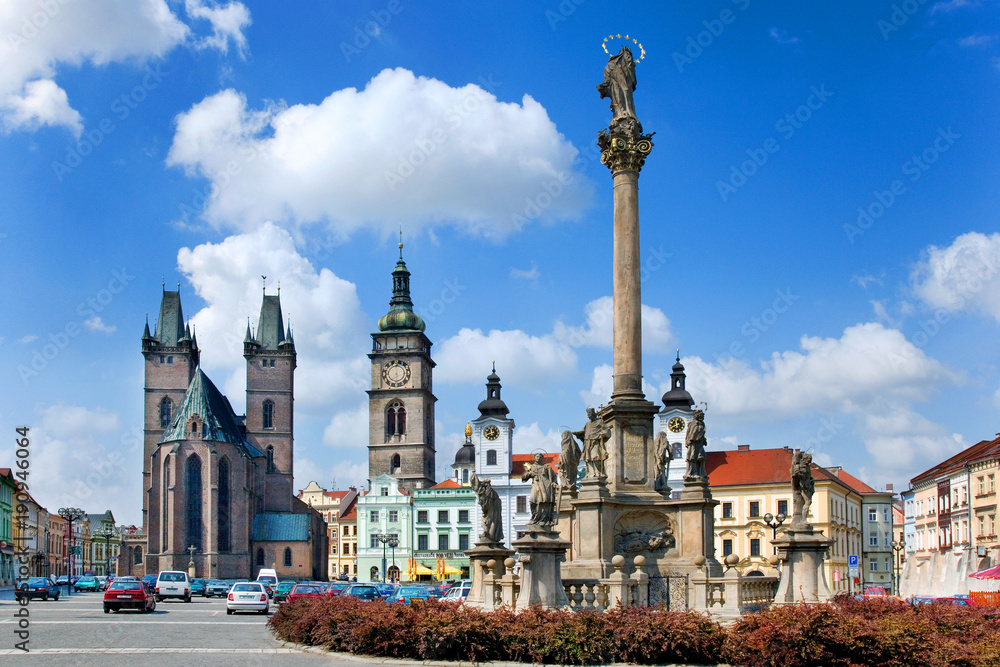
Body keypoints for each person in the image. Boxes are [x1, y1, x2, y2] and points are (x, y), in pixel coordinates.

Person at [521, 452, 558, 527]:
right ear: (534, 458)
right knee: (532, 501)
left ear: (542, 458)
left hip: (545, 486)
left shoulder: (547, 467)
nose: (538, 458)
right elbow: (524, 477)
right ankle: (534, 518)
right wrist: (530, 474)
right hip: (536, 486)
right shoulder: (532, 467)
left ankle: (543, 519)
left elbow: (554, 476)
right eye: (537, 456)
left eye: (540, 457)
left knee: (544, 502)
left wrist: (554, 483)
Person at [573, 407, 610, 479]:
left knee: (596, 457)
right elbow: (583, 432)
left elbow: (607, 430)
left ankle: (599, 472)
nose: (588, 416)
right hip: (587, 443)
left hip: (595, 441)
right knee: (588, 458)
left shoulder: (600, 422)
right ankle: (591, 473)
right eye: (587, 414)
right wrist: (578, 433)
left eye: (589, 414)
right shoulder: (587, 424)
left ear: (593, 414)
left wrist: (604, 434)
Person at [470, 472, 504, 543]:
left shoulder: (490, 492)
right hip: (490, 509)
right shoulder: (490, 492)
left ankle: (489, 534)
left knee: (488, 521)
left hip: (492, 510)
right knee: (486, 521)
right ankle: (488, 533)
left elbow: (486, 501)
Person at [683, 409, 707, 481]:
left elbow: (701, 433)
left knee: (701, 458)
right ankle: (693, 472)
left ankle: (701, 472)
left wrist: (704, 440)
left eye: (702, 416)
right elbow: (690, 434)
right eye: (701, 415)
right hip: (693, 444)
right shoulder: (693, 423)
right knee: (693, 458)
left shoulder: (702, 424)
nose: (702, 417)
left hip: (699, 443)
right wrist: (690, 440)